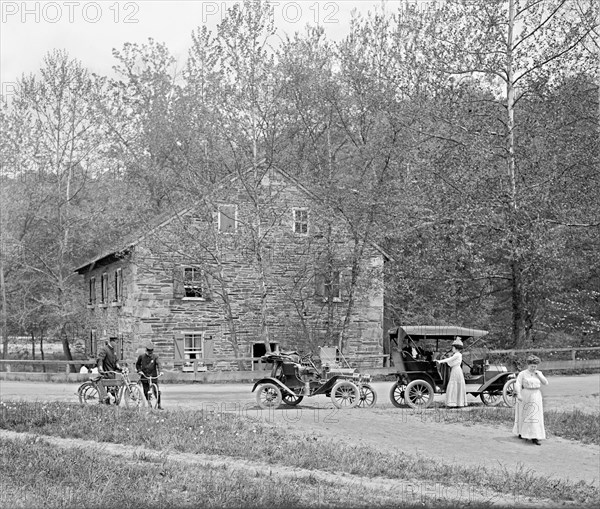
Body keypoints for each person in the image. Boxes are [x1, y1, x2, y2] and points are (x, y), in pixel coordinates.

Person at [513, 355, 548, 445]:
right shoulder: (523, 373)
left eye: (535, 366)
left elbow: (545, 383)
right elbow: (518, 384)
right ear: (528, 365)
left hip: (536, 395)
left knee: (535, 415)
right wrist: (519, 394)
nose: (533, 368)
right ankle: (522, 432)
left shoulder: (538, 373)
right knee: (524, 414)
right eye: (532, 366)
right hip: (526, 394)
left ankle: (535, 436)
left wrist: (539, 375)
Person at [435, 337, 467, 407]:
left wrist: (440, 361)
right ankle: (456, 402)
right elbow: (450, 361)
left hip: (456, 371)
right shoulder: (457, 355)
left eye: (453, 348)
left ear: (456, 348)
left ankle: (454, 403)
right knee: (455, 385)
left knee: (454, 385)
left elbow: (450, 360)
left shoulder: (457, 355)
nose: (452, 349)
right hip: (456, 370)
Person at [136, 341, 163, 409]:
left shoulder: (155, 357)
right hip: (144, 376)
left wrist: (160, 371)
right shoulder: (141, 357)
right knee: (146, 391)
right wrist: (139, 371)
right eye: (148, 353)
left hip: (153, 376)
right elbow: (137, 364)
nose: (150, 354)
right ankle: (149, 403)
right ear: (146, 350)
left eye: (151, 353)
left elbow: (158, 364)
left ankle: (159, 404)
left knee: (156, 391)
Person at [96, 336, 121, 404]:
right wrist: (100, 368)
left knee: (114, 389)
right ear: (112, 341)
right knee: (107, 391)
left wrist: (119, 367)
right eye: (116, 342)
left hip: (112, 373)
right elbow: (100, 359)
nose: (117, 344)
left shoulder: (114, 350)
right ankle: (104, 401)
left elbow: (116, 362)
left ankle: (113, 404)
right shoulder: (105, 349)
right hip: (105, 372)